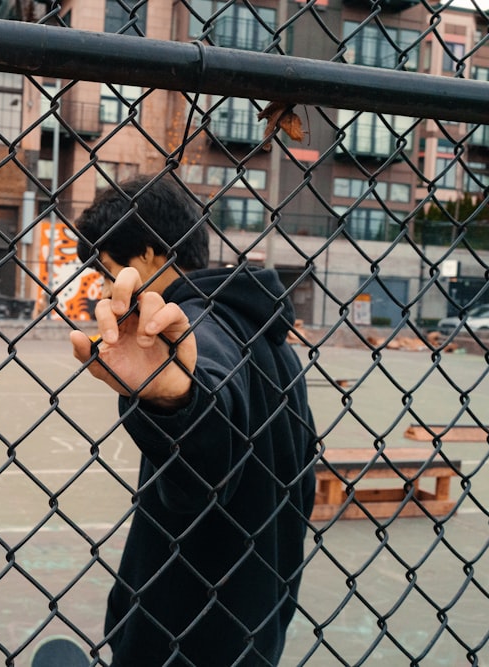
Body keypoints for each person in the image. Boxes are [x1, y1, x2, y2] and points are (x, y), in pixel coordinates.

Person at [68, 175, 316, 666]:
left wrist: (175, 401)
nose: (105, 285)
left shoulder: (197, 326)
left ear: (149, 255)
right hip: (259, 618)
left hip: (179, 632)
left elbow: (210, 394)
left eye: (108, 269)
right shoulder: (271, 339)